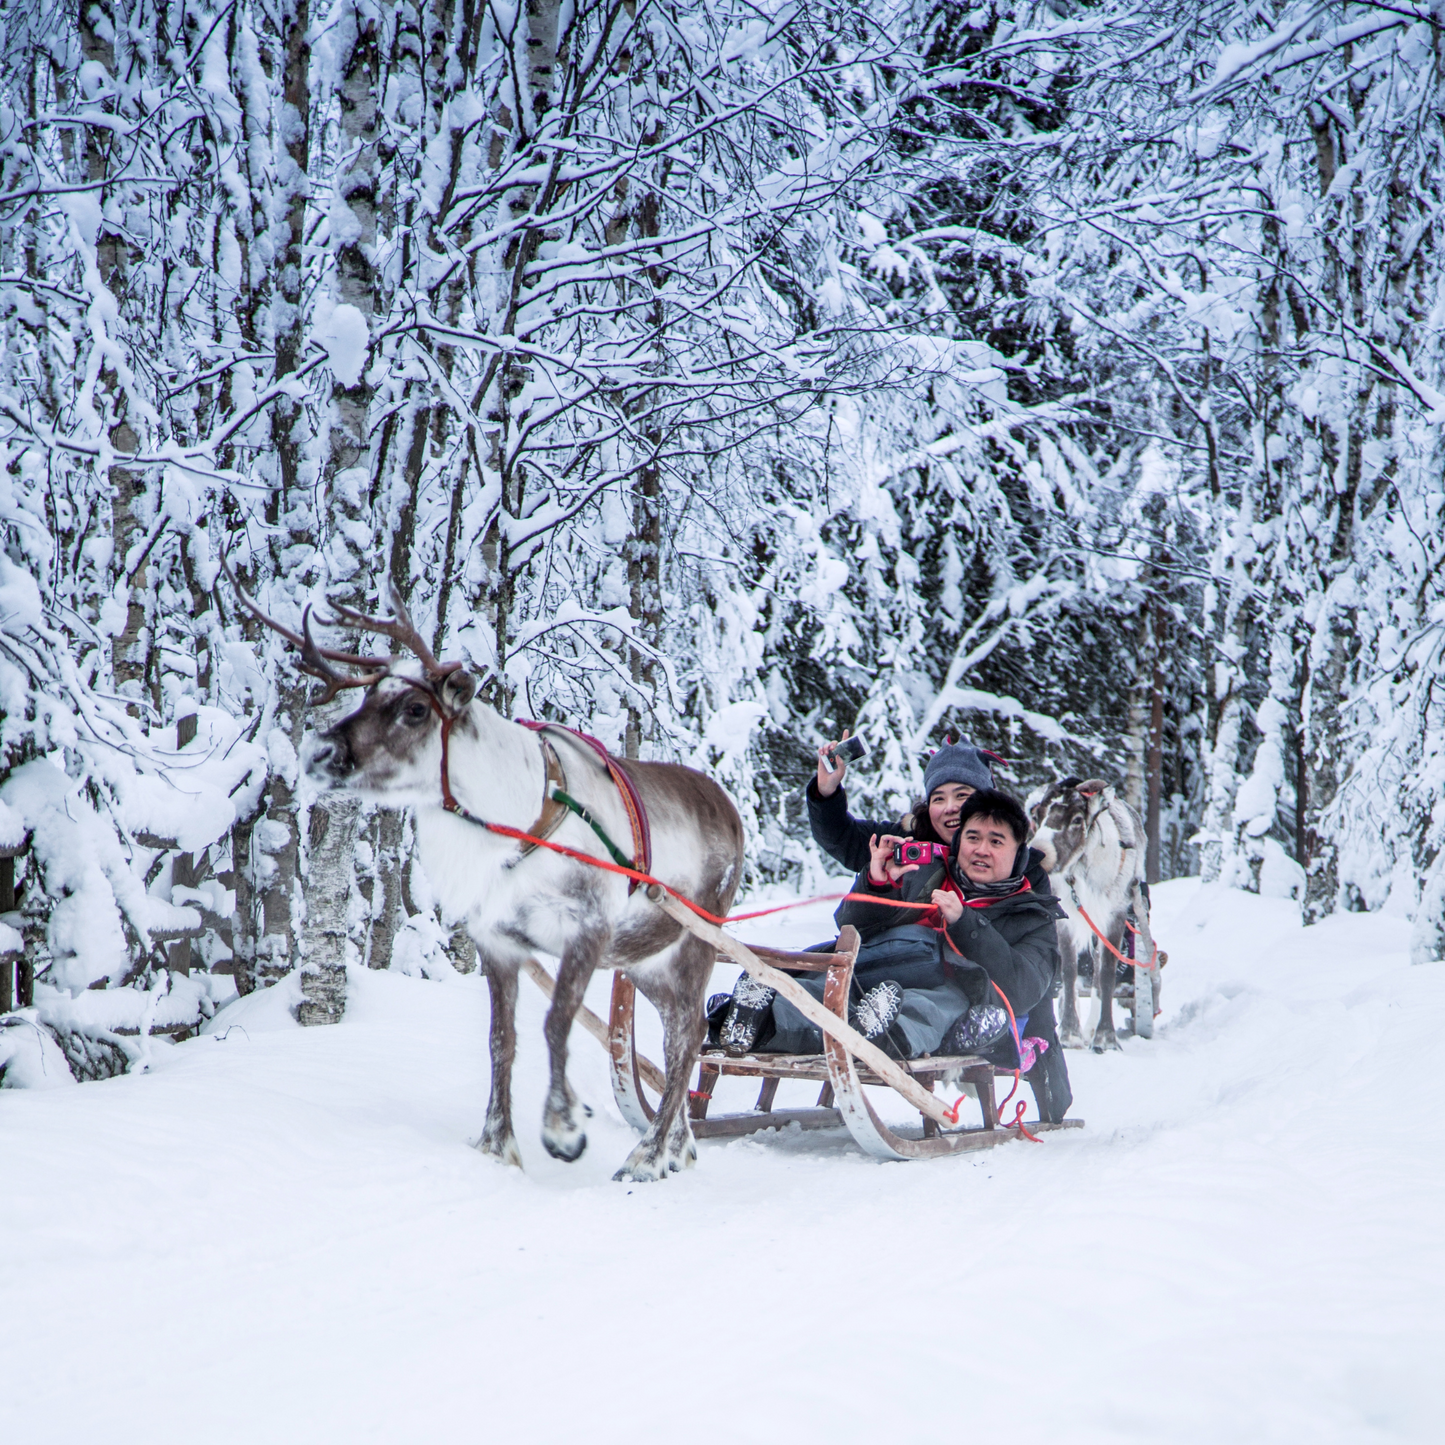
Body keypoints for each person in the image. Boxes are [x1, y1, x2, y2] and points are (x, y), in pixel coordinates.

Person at [714, 787, 1075, 1124]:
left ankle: (878, 1036)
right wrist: (876, 881)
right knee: (826, 993)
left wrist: (967, 923)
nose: (981, 849)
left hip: (949, 992)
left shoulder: (1032, 914)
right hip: (876, 971)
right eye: (973, 838)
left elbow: (1026, 989)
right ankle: (755, 1017)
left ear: (1019, 852)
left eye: (996, 841)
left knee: (932, 1006)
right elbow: (851, 930)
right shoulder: (926, 872)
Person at [806, 734, 998, 872]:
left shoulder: (1011, 852)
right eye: (938, 798)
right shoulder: (904, 843)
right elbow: (840, 838)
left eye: (962, 795)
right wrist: (825, 793)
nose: (950, 807)